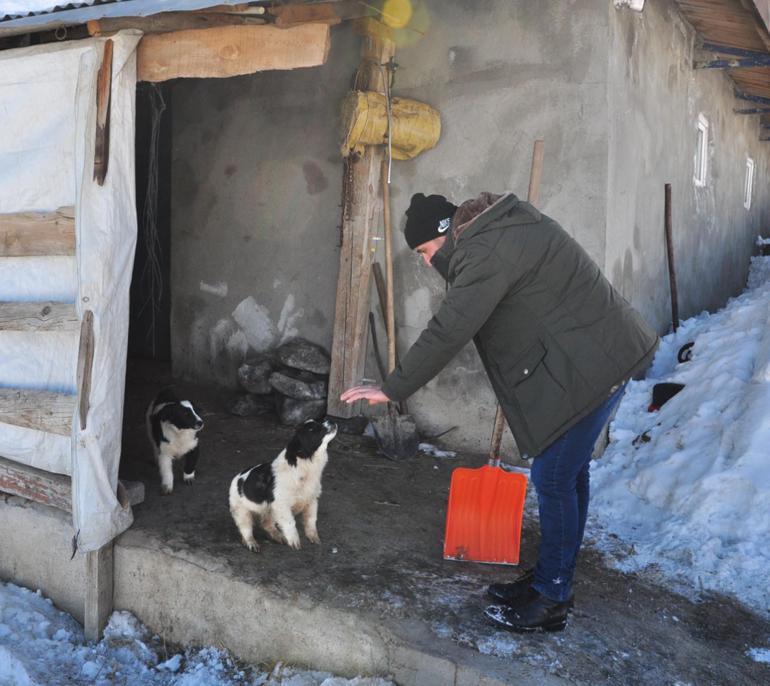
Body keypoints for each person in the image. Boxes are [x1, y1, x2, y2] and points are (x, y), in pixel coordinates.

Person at [341, 191, 659, 632]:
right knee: (568, 472)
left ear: (443, 235)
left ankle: (552, 597)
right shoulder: (493, 236)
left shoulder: (483, 251)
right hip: (599, 355)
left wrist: (392, 388)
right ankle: (552, 578)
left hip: (597, 362)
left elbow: (448, 330)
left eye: (425, 252)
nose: (426, 262)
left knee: (553, 476)